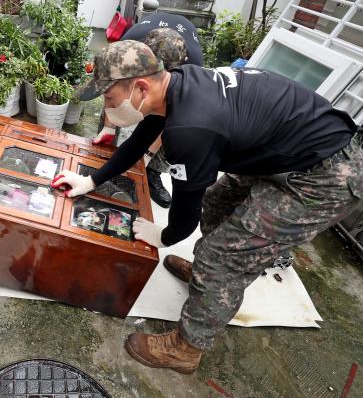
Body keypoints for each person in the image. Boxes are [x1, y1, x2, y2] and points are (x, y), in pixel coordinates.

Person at [52, 40, 362, 374]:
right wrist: (92, 181)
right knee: (218, 203)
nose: (107, 106)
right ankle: (214, 282)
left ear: (141, 86)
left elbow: (185, 214)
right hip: (292, 148)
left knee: (222, 256)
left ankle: (186, 347)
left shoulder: (190, 129)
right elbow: (139, 142)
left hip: (327, 175)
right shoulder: (174, 85)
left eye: (109, 98)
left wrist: (164, 235)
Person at [94, 12, 204, 209]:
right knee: (118, 97)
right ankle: (103, 151)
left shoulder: (191, 67)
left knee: (164, 122)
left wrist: (146, 155)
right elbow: (108, 88)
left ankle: (152, 172)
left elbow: (167, 116)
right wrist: (109, 127)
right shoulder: (128, 50)